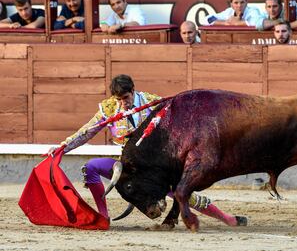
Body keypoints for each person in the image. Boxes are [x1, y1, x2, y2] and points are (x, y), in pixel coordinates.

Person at [48, 74, 246, 227]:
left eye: (125, 98)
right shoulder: (109, 108)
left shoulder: (154, 103)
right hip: (127, 166)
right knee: (90, 167)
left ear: (133, 91)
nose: (123, 103)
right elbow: (87, 132)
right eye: (118, 99)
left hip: (154, 167)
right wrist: (62, 148)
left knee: (181, 193)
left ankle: (227, 218)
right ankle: (103, 216)